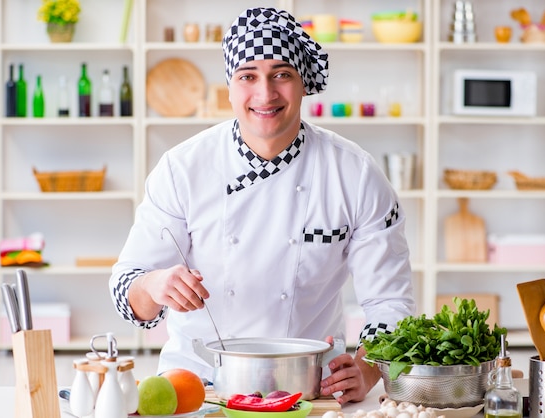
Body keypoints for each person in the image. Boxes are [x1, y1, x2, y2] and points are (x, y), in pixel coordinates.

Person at [109, 7, 415, 405]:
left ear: (303, 83)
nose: (265, 94)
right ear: (231, 87)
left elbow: (390, 302)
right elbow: (126, 291)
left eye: (282, 75)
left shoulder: (353, 173)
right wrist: (155, 284)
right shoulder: (182, 169)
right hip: (198, 385)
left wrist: (369, 366)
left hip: (314, 388)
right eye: (248, 76)